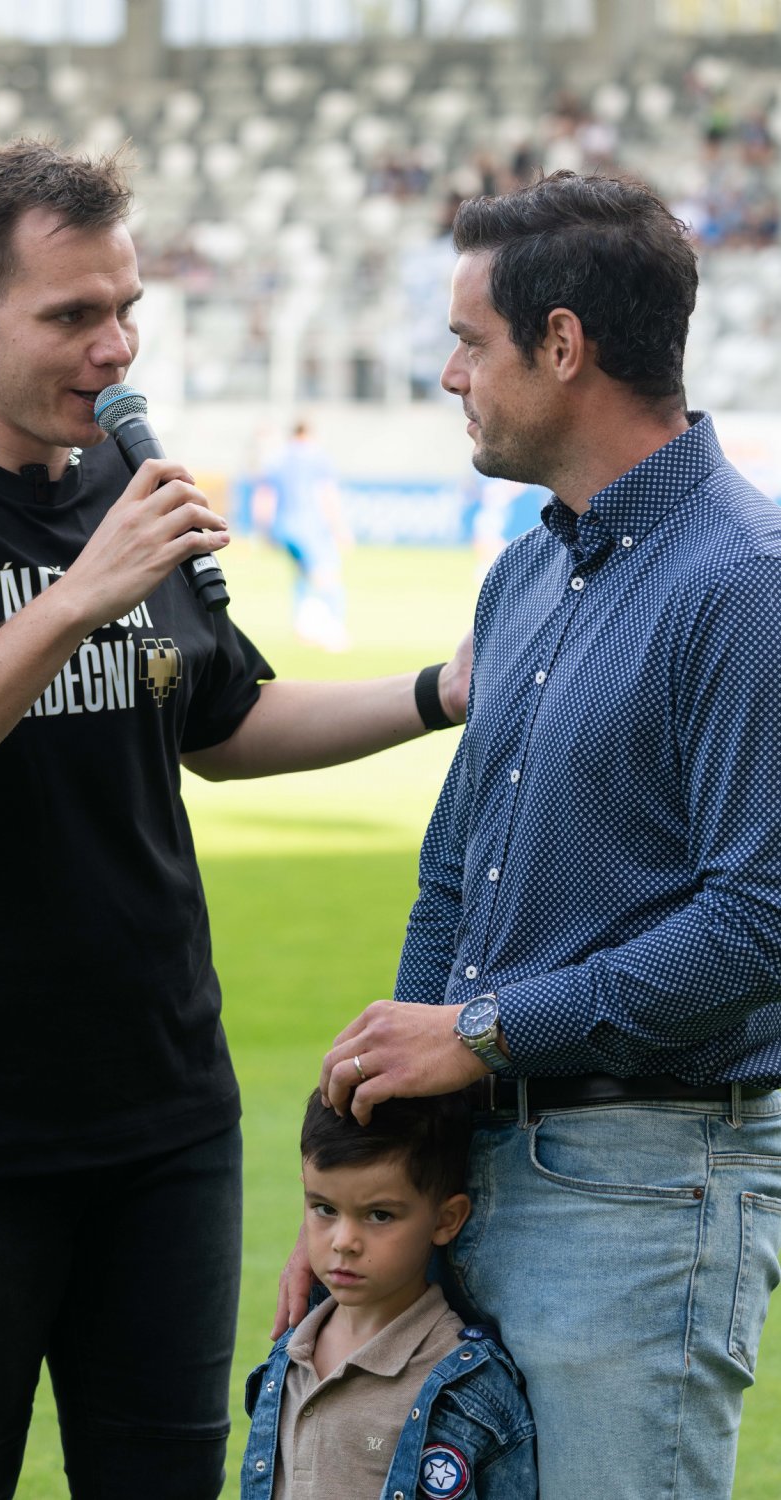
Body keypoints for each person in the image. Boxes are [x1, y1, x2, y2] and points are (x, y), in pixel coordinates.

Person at [0, 138, 472, 1500]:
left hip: (160, 1106)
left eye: (127, 307)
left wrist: (437, 692)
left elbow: (218, 719)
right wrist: (75, 601)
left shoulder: (123, 488)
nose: (116, 349)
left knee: (165, 1476)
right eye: (73, 316)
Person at [275, 169, 781, 1500]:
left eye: (469, 340)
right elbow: (453, 879)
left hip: (644, 1185)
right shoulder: (524, 570)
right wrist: (374, 1190)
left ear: (562, 345)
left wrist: (485, 1032)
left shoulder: (747, 583)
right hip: (479, 1172)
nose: (449, 374)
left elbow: (760, 922)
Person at [242, 1090, 536, 1499]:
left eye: (379, 1215)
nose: (344, 1242)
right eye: (325, 1209)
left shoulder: (466, 1389)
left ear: (446, 1219)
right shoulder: (289, 1356)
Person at [252, 420, 352, 651]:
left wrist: (264, 530)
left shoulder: (276, 458)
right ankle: (334, 629)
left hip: (284, 527)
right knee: (327, 575)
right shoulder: (317, 457)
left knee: (302, 574)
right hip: (309, 526)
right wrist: (339, 528)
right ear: (309, 434)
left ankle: (302, 627)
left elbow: (264, 495)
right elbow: (327, 494)